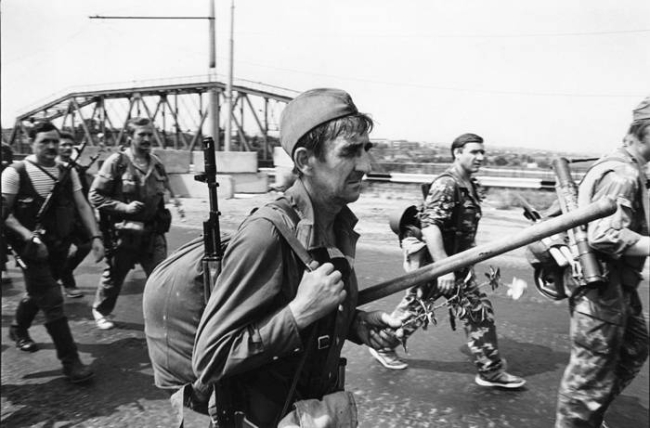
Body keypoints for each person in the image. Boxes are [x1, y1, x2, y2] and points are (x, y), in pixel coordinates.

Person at [192, 88, 403, 426]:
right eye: (350, 151)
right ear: (305, 161)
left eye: (366, 149)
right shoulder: (266, 235)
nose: (365, 165)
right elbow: (209, 360)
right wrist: (298, 313)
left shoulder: (337, 224)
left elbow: (307, 308)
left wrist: (354, 323)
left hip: (313, 412)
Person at [368, 133, 526, 389]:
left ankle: (490, 369)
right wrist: (444, 269)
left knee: (476, 313)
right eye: (474, 152)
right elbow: (430, 226)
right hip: (439, 265)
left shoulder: (469, 185)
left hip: (458, 265)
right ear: (457, 153)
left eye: (482, 152)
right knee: (415, 310)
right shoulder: (447, 184)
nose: (480, 157)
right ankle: (383, 345)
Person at [554, 98, 650, 427]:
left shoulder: (629, 166)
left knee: (634, 346)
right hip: (599, 286)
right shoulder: (623, 173)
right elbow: (603, 235)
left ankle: (589, 417)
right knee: (589, 377)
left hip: (616, 283)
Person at [2, 121, 104, 383]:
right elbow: (5, 213)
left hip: (59, 246)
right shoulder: (14, 173)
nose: (51, 146)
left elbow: (82, 205)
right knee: (52, 299)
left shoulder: (66, 171)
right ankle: (71, 363)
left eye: (55, 141)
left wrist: (95, 236)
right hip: (30, 249)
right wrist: (28, 235)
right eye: (44, 141)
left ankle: (18, 328)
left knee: (39, 293)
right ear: (31, 142)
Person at [89, 117, 177, 330]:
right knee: (114, 276)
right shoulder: (117, 162)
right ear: (130, 137)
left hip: (152, 232)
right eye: (141, 134)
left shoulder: (156, 164)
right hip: (124, 232)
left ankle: (163, 318)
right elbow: (95, 196)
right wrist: (124, 208)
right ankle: (100, 310)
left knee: (161, 276)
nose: (147, 139)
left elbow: (164, 193)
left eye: (150, 134)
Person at [56, 132, 92, 298]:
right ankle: (68, 283)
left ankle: (64, 271)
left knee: (86, 245)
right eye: (63, 145)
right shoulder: (52, 168)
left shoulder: (76, 168)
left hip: (76, 215)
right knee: (60, 250)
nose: (67, 148)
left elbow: (85, 194)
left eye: (70, 145)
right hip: (57, 217)